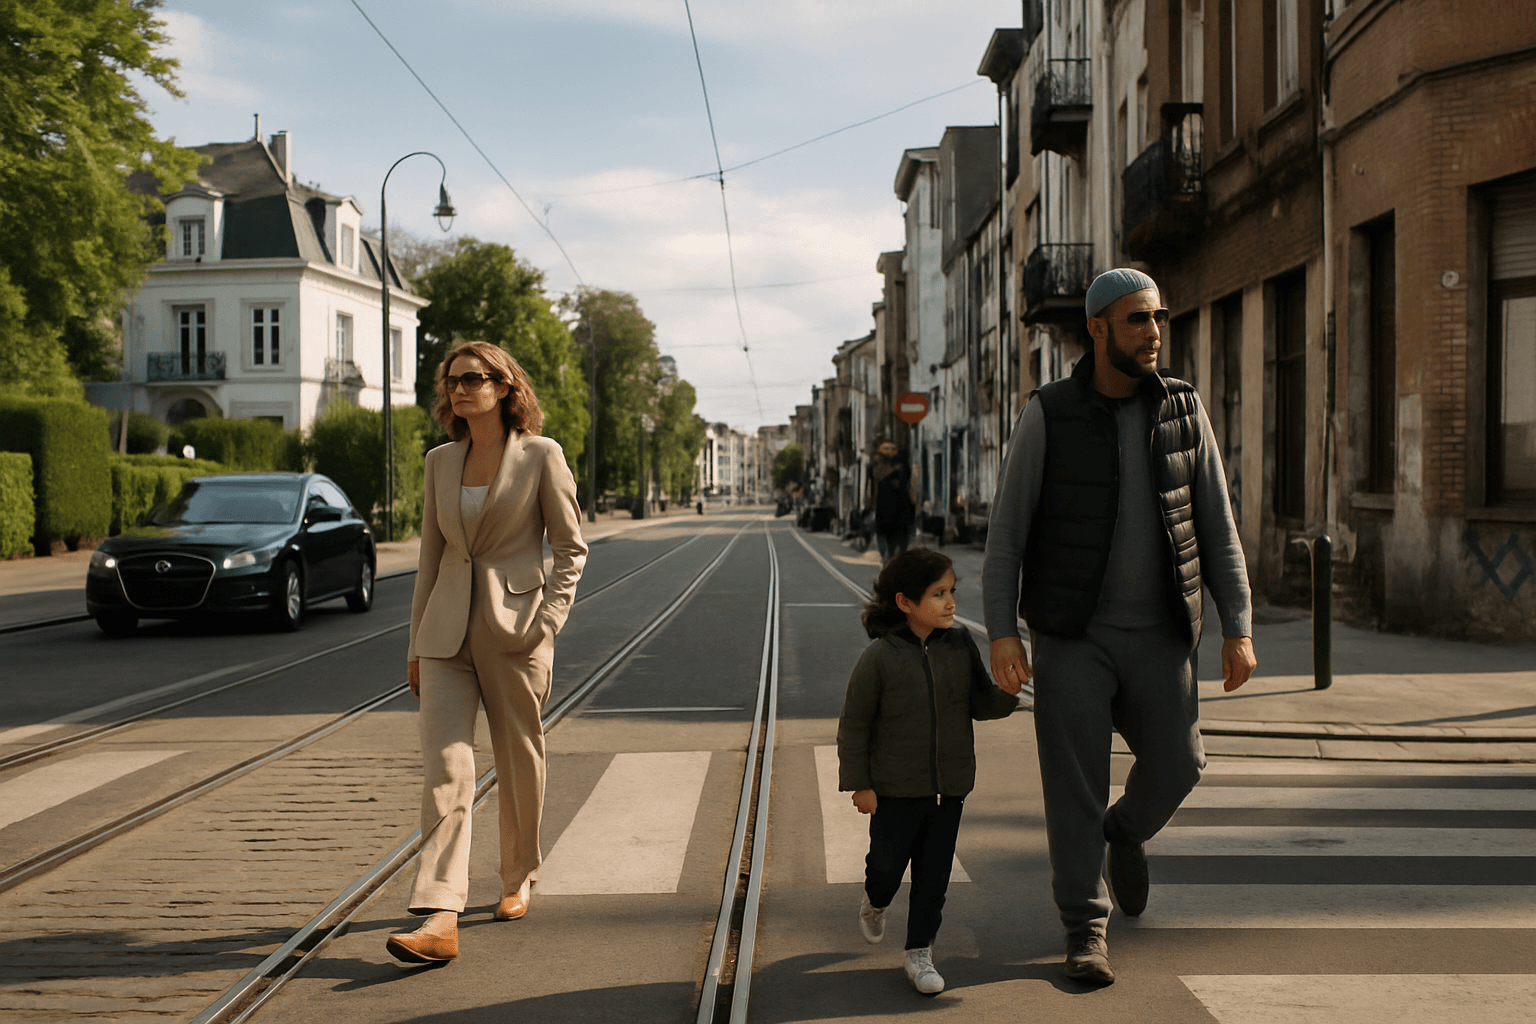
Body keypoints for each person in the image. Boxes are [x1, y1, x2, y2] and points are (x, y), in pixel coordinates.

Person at [982, 268, 1257, 986]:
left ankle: (1125, 832)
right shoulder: (1049, 413)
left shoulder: (1183, 410)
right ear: (1098, 329)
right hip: (1073, 636)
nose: (1155, 331)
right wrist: (1003, 633)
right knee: (1074, 788)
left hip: (1164, 633)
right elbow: (1006, 537)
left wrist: (1239, 626)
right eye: (1139, 319)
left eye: (1159, 317)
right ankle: (1084, 930)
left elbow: (1217, 527)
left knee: (1181, 764)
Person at [386, 341, 588, 964]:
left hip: (515, 629)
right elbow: (428, 561)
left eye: (473, 378)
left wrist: (545, 625)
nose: (459, 388)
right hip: (445, 635)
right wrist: (416, 644)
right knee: (448, 768)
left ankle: (517, 874)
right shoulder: (439, 462)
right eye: (451, 380)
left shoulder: (540, 456)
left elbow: (571, 550)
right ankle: (441, 912)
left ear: (503, 387)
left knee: (518, 757)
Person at [837, 548, 1019, 995]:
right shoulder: (879, 658)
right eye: (938, 594)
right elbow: (854, 725)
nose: (951, 602)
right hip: (894, 792)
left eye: (952, 591)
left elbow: (979, 702)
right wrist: (860, 784)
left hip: (947, 790)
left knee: (933, 879)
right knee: (886, 868)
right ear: (905, 603)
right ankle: (875, 902)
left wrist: (1011, 692)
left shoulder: (959, 645)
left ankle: (919, 953)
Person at [865, 439, 916, 564]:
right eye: (886, 448)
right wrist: (868, 503)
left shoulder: (903, 465)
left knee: (899, 541)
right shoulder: (873, 466)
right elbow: (870, 487)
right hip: (882, 507)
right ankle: (887, 561)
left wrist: (914, 502)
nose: (890, 451)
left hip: (901, 507)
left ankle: (894, 562)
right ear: (880, 450)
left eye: (893, 448)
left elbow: (910, 485)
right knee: (884, 539)